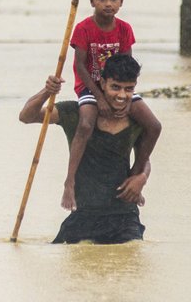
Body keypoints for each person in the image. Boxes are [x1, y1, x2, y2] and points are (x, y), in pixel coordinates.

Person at [19, 55, 154, 244]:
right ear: (102, 83)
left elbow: (144, 157)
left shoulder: (136, 120)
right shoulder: (76, 113)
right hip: (84, 215)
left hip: (124, 216)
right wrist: (46, 92)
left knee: (130, 256)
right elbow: (26, 116)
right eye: (115, 87)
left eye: (129, 89)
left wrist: (142, 177)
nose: (122, 96)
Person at [62, 0, 162, 211]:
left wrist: (126, 98)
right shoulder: (84, 29)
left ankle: (135, 176)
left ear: (121, 1)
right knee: (86, 124)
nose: (108, 4)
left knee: (154, 126)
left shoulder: (124, 29)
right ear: (92, 1)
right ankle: (69, 181)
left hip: (118, 86)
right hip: (90, 86)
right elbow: (80, 67)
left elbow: (127, 66)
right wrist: (98, 96)